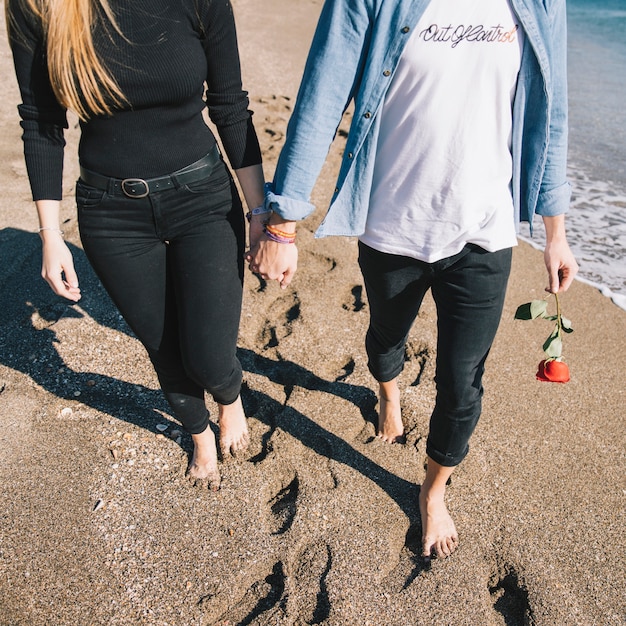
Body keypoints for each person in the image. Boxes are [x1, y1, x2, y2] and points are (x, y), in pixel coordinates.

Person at [247, 0, 579, 561]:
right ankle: (386, 388)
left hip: (485, 233)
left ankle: (432, 490)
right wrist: (282, 224)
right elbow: (321, 94)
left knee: (462, 383)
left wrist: (556, 232)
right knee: (387, 337)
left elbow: (554, 115)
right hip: (393, 225)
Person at [6, 0, 267, 490]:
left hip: (203, 200)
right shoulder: (38, 7)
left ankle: (229, 398)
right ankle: (199, 434)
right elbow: (41, 121)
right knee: (164, 345)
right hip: (111, 215)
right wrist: (50, 236)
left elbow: (230, 103)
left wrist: (259, 214)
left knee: (210, 356)